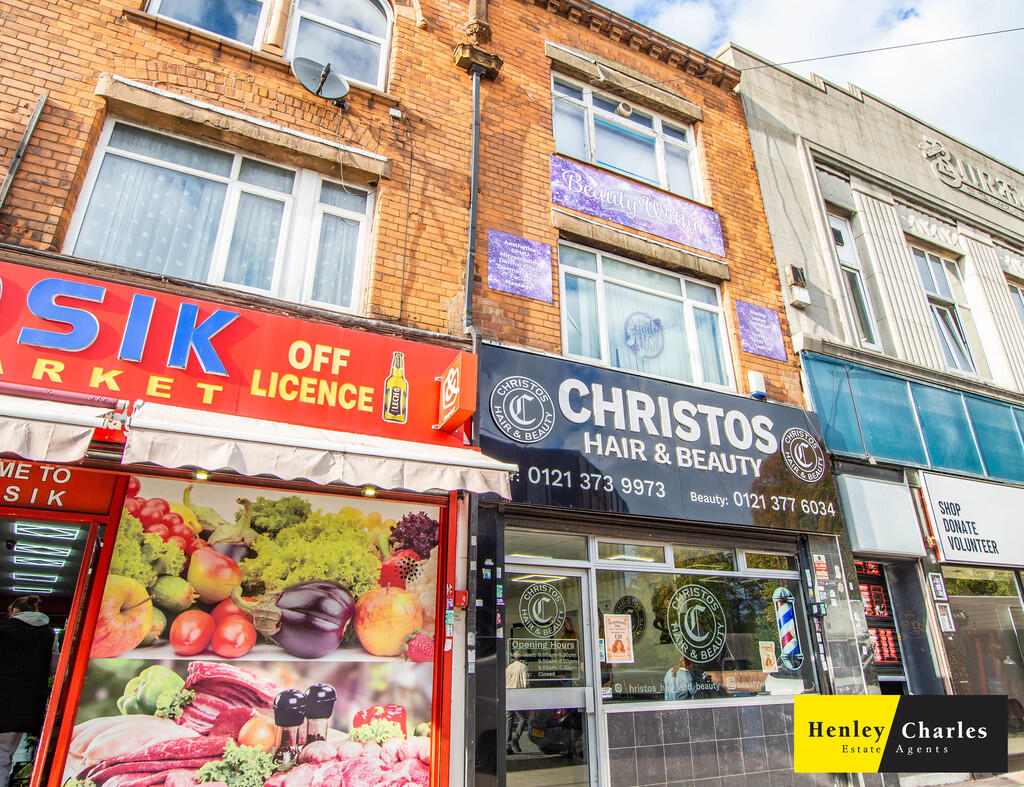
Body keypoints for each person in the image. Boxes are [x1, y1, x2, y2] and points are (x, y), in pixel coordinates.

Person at [0, 595, 58, 786]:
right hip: (24, 706)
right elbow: (54, 668)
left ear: (15, 611)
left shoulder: (3, 630)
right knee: (3, 756)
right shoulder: (49, 634)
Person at [505, 650, 529, 753]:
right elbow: (525, 682)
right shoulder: (523, 667)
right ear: (521, 657)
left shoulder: (509, 667)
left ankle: (507, 743)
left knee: (509, 719)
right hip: (517, 695)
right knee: (523, 718)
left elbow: (504, 681)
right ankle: (516, 737)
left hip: (508, 694)